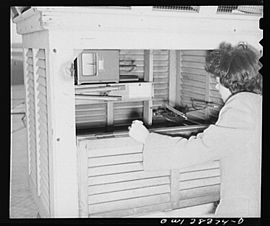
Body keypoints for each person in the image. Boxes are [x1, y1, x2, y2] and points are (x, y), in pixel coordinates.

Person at [128, 42, 262, 217]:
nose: (215, 87)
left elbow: (196, 150)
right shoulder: (257, 103)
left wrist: (147, 138)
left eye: (218, 82)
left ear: (230, 82)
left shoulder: (240, 107)